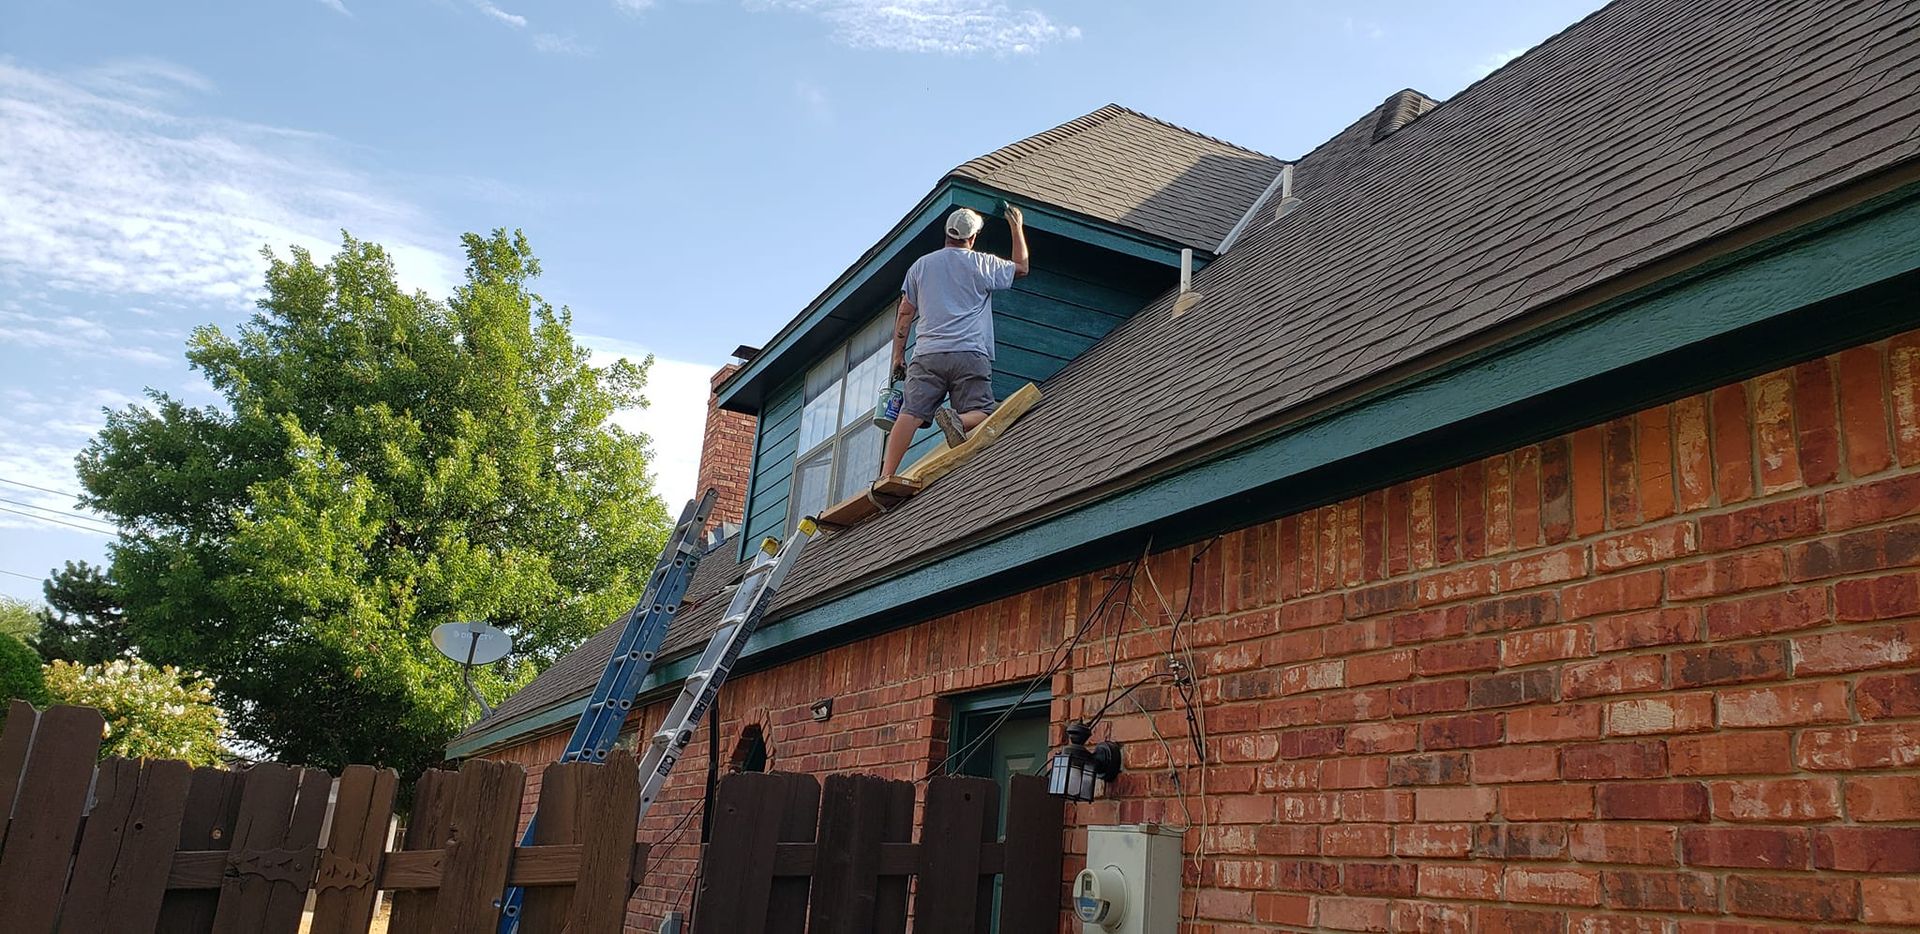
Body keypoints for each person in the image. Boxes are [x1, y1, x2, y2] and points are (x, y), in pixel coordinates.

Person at [879, 203, 1029, 479]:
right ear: (972, 238)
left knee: (909, 413)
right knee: (984, 411)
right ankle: (957, 420)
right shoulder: (982, 263)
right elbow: (1021, 268)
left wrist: (898, 356)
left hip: (927, 355)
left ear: (946, 234)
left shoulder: (920, 266)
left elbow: (904, 313)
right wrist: (1016, 226)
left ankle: (886, 476)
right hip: (969, 354)